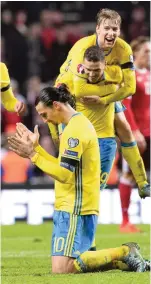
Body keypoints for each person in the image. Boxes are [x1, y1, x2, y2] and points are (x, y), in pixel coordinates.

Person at [8, 85, 146, 274]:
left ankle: (124, 252)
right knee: (68, 265)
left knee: (62, 269)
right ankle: (124, 260)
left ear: (56, 105)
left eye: (44, 114)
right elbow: (61, 165)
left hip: (75, 208)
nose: (44, 120)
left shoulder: (75, 130)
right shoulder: (74, 126)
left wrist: (33, 155)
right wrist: (37, 149)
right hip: (73, 205)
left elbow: (64, 174)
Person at [50, 8, 150, 198]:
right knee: (70, 139)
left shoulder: (124, 49)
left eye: (115, 29)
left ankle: (143, 182)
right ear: (97, 29)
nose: (111, 33)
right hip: (70, 87)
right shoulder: (82, 49)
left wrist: (105, 98)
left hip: (104, 90)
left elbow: (130, 88)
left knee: (126, 129)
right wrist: (114, 80)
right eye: (107, 28)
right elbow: (81, 91)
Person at [118, 36, 150, 233]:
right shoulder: (130, 76)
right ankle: (125, 220)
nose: (149, 55)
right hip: (136, 135)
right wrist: (134, 131)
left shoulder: (149, 74)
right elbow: (126, 106)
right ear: (135, 53)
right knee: (129, 175)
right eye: (146, 51)